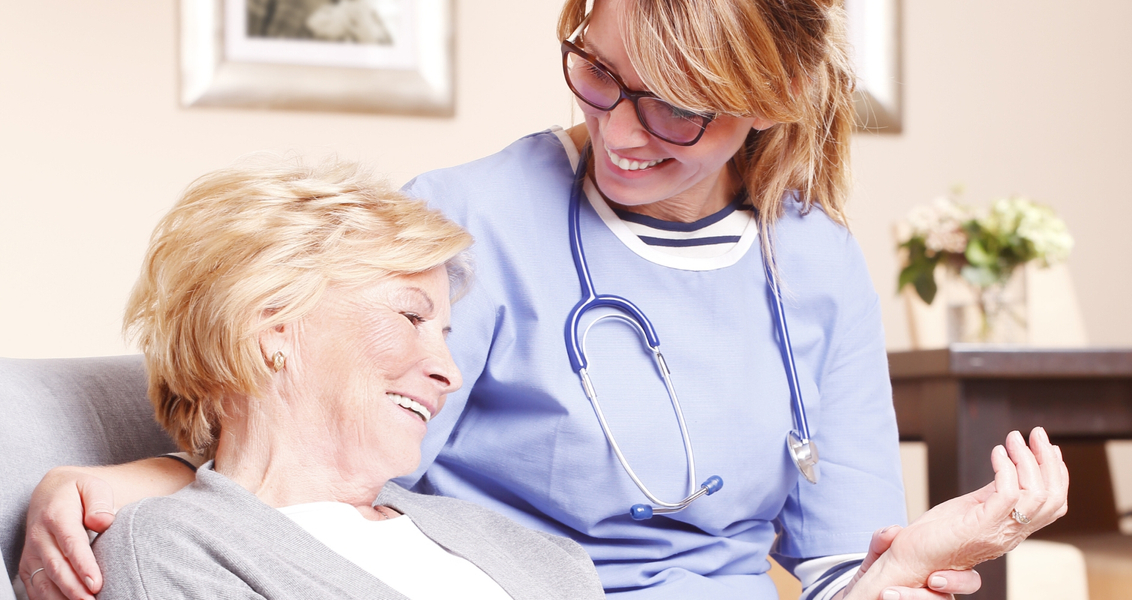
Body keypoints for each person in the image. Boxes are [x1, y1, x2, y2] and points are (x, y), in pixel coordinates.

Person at [19, 0, 1070, 598]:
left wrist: (907, 566)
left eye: (676, 109)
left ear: (770, 100)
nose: (619, 129)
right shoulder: (469, 222)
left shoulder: (818, 262)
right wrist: (137, 479)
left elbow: (842, 561)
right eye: (597, 71)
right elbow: (317, 469)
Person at [81, 159, 605, 599]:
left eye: (444, 332)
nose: (450, 372)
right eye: (411, 318)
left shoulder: (533, 553)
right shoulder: (179, 550)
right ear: (273, 327)